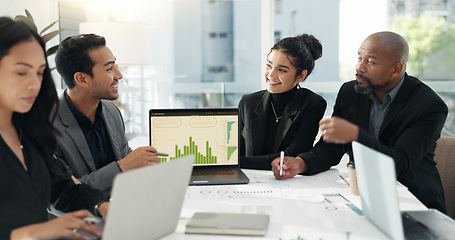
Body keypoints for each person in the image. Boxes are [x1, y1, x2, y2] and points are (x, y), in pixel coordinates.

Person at [272, 31, 448, 213]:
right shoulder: (350, 92)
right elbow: (331, 147)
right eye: (359, 58)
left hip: (414, 203)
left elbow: (399, 163)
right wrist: (301, 163)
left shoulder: (428, 106)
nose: (360, 68)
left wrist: (356, 135)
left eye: (370, 62)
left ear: (396, 69)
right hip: (362, 197)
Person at [0, 16, 109, 239]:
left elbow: (63, 188)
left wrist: (102, 205)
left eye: (40, 73)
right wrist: (32, 233)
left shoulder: (27, 131)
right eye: (22, 72)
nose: (34, 84)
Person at [54, 34, 161, 197]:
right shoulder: (47, 126)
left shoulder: (112, 111)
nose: (119, 75)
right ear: (82, 79)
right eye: (109, 68)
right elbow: (63, 195)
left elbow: (127, 160)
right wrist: (123, 167)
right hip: (81, 219)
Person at [238, 34, 327, 170]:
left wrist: (242, 162)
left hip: (288, 182)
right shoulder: (248, 102)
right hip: (250, 181)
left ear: (300, 76)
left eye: (281, 70)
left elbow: (291, 157)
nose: (271, 75)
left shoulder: (312, 104)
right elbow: (234, 155)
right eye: (269, 66)